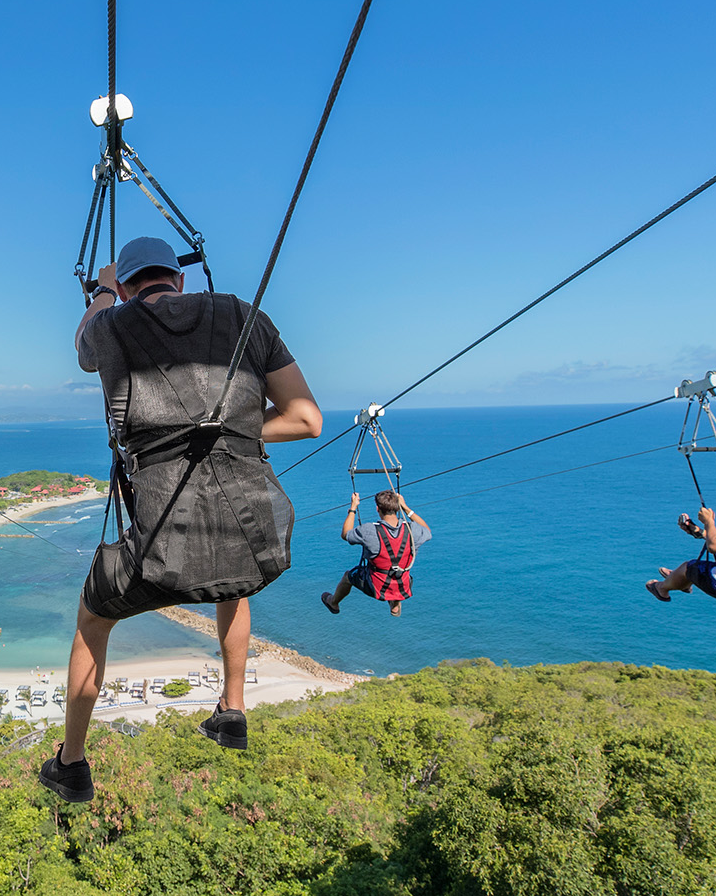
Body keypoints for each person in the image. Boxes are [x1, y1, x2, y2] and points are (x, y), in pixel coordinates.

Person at [38, 237, 323, 803]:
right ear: (180, 280)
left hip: (157, 557)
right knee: (232, 576)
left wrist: (98, 288)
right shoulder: (245, 316)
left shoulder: (111, 323)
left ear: (126, 288)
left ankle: (71, 762)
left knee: (94, 620)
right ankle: (232, 708)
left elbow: (82, 347)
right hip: (256, 540)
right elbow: (306, 418)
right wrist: (232, 429)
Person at [321, 490, 430, 617]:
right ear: (397, 507)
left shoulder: (370, 531)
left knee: (348, 577)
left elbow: (346, 534)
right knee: (396, 567)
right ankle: (394, 604)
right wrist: (406, 508)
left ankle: (333, 602)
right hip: (402, 585)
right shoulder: (412, 530)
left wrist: (353, 508)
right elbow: (427, 530)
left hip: (376, 586)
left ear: (378, 509)